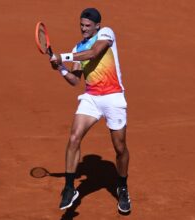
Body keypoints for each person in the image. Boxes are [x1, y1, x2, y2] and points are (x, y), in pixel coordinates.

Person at [49, 8, 131, 213]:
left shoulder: (106, 34)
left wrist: (63, 56)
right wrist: (61, 68)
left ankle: (122, 187)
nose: (84, 29)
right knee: (74, 137)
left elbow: (94, 53)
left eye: (87, 26)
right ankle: (69, 188)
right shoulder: (78, 47)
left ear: (97, 26)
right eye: (81, 25)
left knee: (120, 148)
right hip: (91, 98)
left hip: (113, 97)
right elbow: (75, 79)